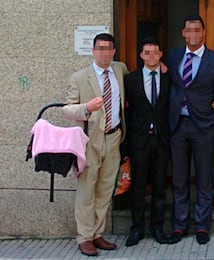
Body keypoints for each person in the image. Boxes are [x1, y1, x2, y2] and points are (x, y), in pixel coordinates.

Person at [167, 14, 214, 245]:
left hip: (205, 127)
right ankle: (179, 225)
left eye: (197, 29)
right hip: (178, 126)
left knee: (204, 179)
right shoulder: (173, 56)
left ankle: (202, 225)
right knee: (179, 179)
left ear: (203, 32)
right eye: (189, 30)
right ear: (183, 33)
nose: (193, 33)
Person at [62, 33, 129, 256]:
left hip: (113, 138)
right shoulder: (80, 77)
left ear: (114, 51)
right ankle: (84, 237)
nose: (104, 52)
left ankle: (97, 234)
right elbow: (66, 109)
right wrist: (86, 108)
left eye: (109, 48)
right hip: (90, 141)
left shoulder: (120, 69)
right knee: (86, 190)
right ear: (93, 50)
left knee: (104, 190)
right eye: (100, 48)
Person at [123, 37, 170, 246]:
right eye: (147, 52)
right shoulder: (130, 80)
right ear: (141, 55)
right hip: (139, 140)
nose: (152, 56)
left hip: (161, 139)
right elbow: (126, 109)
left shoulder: (169, 77)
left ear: (160, 55)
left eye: (155, 52)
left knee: (160, 186)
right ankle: (137, 228)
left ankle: (157, 227)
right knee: (139, 186)